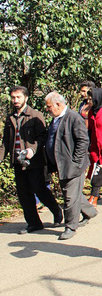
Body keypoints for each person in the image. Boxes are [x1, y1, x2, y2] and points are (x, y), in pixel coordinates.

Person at [0, 86, 63, 234]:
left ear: (26, 98)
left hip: (34, 162)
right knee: (23, 194)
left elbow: (43, 137)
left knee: (39, 189)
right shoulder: (9, 118)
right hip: (17, 161)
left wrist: (31, 150)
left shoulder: (35, 115)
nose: (15, 100)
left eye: (18, 97)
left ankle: (56, 210)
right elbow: (5, 143)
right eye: (13, 97)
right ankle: (34, 223)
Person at [44, 91, 97, 240]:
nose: (47, 109)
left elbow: (83, 141)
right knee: (73, 194)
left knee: (69, 197)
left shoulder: (73, 118)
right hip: (61, 165)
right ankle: (90, 212)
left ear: (59, 104)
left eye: (49, 107)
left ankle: (70, 226)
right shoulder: (55, 119)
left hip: (72, 165)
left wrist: (75, 162)